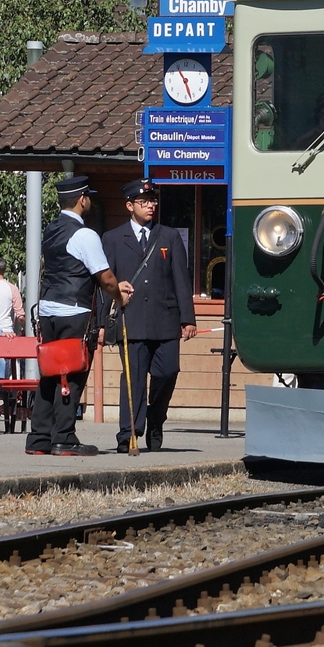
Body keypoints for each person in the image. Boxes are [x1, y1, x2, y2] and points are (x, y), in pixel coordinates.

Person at [27, 176, 133, 457]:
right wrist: (118, 295)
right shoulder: (85, 234)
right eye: (88, 197)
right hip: (74, 310)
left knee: (50, 373)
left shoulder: (51, 229)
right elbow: (105, 277)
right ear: (82, 199)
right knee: (71, 374)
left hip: (48, 308)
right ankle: (63, 437)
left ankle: (38, 438)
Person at [98, 179, 195, 453]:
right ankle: (129, 433)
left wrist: (188, 318)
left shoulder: (169, 236)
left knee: (167, 372)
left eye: (153, 200)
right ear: (130, 206)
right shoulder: (113, 239)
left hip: (165, 319)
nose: (151, 205)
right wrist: (102, 323)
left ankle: (155, 419)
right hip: (133, 319)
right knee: (134, 377)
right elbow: (106, 284)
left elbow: (181, 280)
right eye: (144, 201)